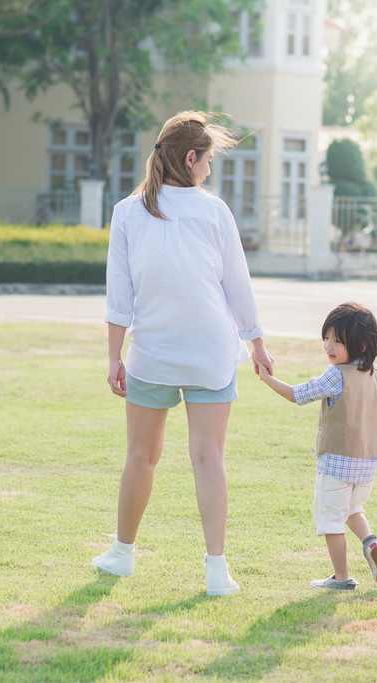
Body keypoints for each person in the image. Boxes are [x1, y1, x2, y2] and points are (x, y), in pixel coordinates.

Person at [91, 111, 273, 597]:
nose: (210, 170)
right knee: (209, 458)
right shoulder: (215, 212)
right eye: (209, 160)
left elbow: (119, 297)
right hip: (211, 351)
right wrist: (256, 342)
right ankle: (217, 571)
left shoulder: (126, 212)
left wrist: (114, 358)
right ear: (190, 158)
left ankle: (122, 554)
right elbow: (238, 284)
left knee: (140, 456)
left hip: (152, 352)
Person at [258, 302, 377, 591]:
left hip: (336, 464)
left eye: (337, 340)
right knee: (352, 509)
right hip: (366, 466)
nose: (328, 346)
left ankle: (342, 578)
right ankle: (372, 543)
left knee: (331, 521)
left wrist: (267, 378)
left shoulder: (337, 375)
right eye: (326, 338)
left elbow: (297, 395)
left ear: (360, 344)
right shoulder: (376, 373)